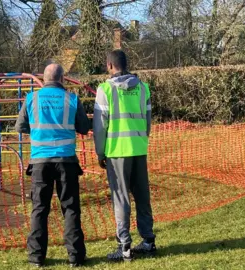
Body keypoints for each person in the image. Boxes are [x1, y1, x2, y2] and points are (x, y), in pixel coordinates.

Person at [15, 64, 89, 268]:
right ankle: (75, 256)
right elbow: (84, 127)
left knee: (39, 209)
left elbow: (20, 126)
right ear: (62, 79)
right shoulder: (72, 99)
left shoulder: (32, 98)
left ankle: (36, 257)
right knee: (71, 208)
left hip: (40, 161)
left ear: (44, 78)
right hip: (66, 161)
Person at [93, 50, 156, 262]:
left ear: (110, 66)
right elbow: (147, 121)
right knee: (142, 196)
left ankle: (125, 245)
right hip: (139, 148)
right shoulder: (143, 88)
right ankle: (148, 240)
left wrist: (100, 152)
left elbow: (100, 126)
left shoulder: (105, 89)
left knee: (121, 198)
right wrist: (141, 139)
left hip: (117, 151)